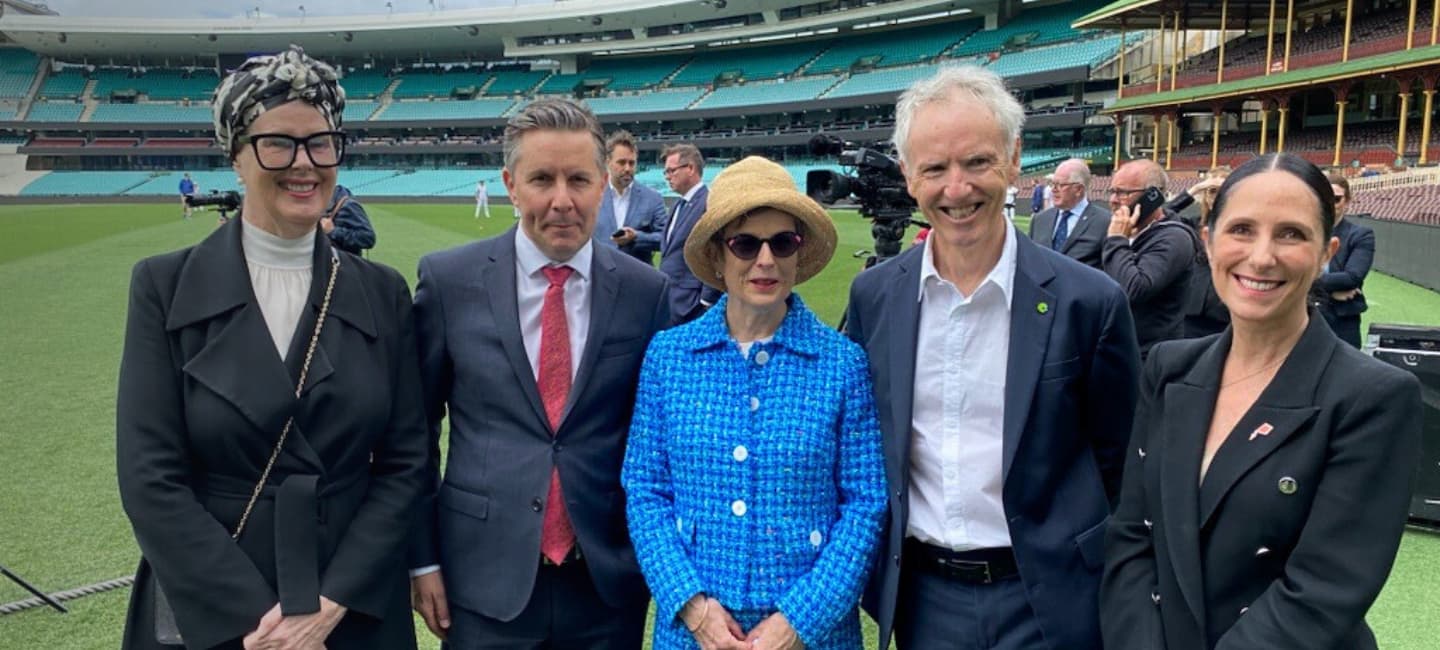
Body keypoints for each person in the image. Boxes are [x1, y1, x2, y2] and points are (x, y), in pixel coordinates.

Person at [116, 45, 427, 650]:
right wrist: (264, 623)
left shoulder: (382, 291)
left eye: (320, 142)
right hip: (216, 603)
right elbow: (149, 477)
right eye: (277, 143)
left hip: (352, 602)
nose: (304, 163)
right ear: (235, 154)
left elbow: (406, 463)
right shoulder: (162, 286)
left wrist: (328, 606)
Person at [846, 65, 1141, 650]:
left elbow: (1120, 461)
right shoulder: (875, 296)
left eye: (977, 162)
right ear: (908, 176)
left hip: (1052, 597)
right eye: (935, 168)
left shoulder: (1090, 301)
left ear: (1013, 159)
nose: (957, 189)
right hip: (926, 600)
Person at [1101, 153, 1421, 650]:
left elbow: (1322, 590)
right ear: (1208, 241)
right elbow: (1132, 536)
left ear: (1326, 252)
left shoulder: (1373, 397)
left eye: (1291, 234)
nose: (1262, 256)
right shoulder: (1168, 368)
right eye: (1242, 230)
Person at [409, 98, 669, 648]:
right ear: (511, 185)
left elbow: (657, 439)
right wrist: (422, 559)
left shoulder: (646, 292)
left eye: (579, 180)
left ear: (603, 185)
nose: (561, 201)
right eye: (542, 179)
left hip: (605, 584)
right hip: (482, 578)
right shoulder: (449, 282)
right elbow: (415, 432)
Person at [623, 156, 886, 650]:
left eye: (782, 242)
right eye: (745, 244)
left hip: (814, 637)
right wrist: (694, 608)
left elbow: (865, 503)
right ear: (718, 256)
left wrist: (800, 621)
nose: (765, 260)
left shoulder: (842, 363)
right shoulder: (669, 357)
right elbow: (645, 491)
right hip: (695, 635)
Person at [1102, 159, 1199, 357]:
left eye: (1122, 193)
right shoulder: (1127, 228)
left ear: (1151, 196)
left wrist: (1117, 240)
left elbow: (1133, 289)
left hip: (1149, 356)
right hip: (1118, 346)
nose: (1113, 200)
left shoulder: (1174, 238)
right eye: (1112, 191)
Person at [658, 143, 721, 324]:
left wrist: (706, 301)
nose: (667, 177)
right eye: (665, 172)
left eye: (671, 171)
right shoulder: (677, 206)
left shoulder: (708, 203)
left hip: (692, 306)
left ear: (691, 168)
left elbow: (715, 253)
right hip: (671, 302)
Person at [1313, 172, 1373, 348]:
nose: (1330, 203)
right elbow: (1288, 276)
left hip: (1342, 320)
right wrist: (1329, 291)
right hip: (1304, 316)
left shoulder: (1361, 235)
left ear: (1347, 202)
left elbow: (1353, 277)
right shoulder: (1301, 232)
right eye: (1324, 198)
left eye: (1336, 199)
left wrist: (1308, 284)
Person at [597, 129, 668, 265]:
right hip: (600, 273)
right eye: (621, 162)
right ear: (608, 162)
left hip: (637, 275)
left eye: (632, 163)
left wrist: (637, 237)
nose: (628, 168)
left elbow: (665, 239)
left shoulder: (653, 198)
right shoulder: (593, 195)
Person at [1029, 158, 1112, 269]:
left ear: (1078, 189)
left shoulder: (1105, 222)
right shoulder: (1039, 220)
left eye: (1060, 185)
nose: (1053, 190)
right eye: (1053, 184)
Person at [324, 184, 376, 255]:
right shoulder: (318, 202)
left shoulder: (348, 204)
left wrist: (333, 231)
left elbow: (368, 238)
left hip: (344, 260)